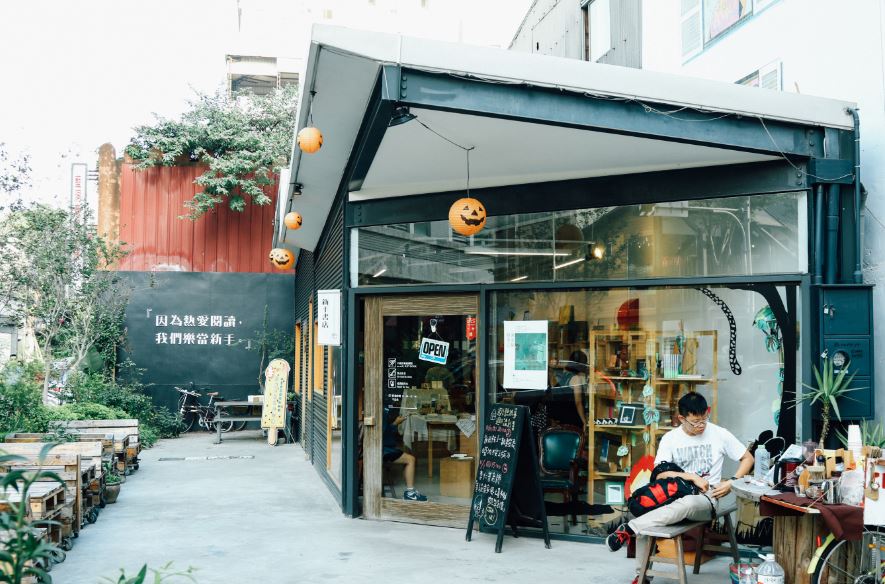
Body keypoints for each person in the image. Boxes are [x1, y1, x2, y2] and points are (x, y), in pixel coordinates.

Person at [606, 392, 754, 583]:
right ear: (681, 418)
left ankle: (629, 529)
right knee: (647, 518)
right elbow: (660, 475)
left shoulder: (719, 433)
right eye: (695, 422)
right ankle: (642, 577)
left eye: (704, 419)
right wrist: (691, 477)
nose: (701, 425)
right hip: (673, 498)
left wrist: (731, 481)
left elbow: (748, 458)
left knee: (688, 503)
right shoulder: (670, 439)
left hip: (706, 500)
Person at [383, 407, 427, 502]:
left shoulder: (382, 411)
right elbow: (384, 433)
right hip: (384, 450)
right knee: (410, 459)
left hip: (384, 448)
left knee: (407, 458)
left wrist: (396, 423)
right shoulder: (382, 413)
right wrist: (395, 424)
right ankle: (410, 492)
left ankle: (410, 490)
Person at [545, 350, 589, 429]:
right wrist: (584, 421)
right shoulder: (576, 378)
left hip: (559, 418)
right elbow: (578, 402)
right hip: (571, 419)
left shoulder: (564, 375)